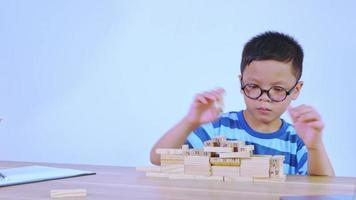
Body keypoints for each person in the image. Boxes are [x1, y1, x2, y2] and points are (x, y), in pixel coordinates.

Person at [150, 31, 334, 176]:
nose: (264, 98)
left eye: (278, 89)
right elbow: (158, 158)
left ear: (296, 90)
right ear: (241, 83)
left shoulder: (298, 141)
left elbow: (324, 189)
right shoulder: (217, 129)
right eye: (253, 86)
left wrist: (315, 146)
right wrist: (190, 122)